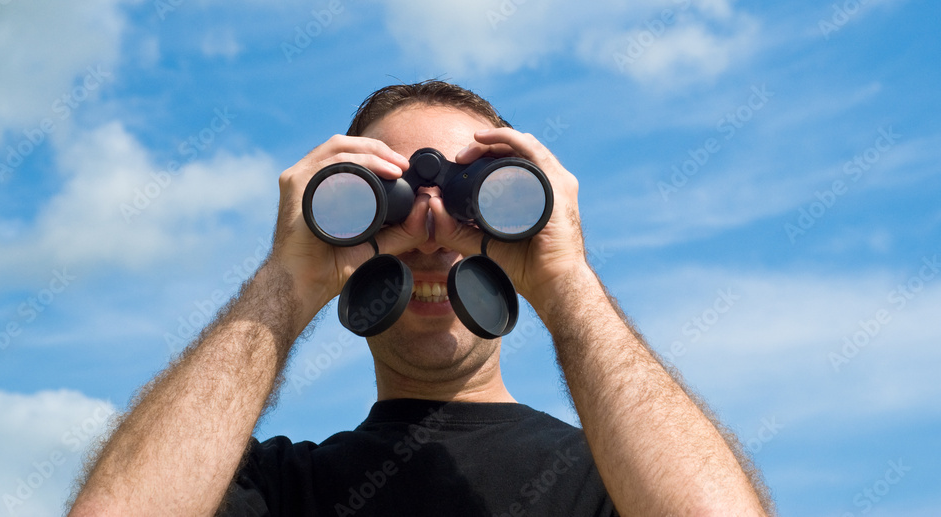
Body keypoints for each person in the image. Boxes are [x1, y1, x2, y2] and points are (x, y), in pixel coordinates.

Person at [68, 81, 775, 516]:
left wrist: (568, 279)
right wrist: (286, 276)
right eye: (394, 196)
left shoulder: (612, 481)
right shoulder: (280, 489)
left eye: (474, 195)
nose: (432, 232)